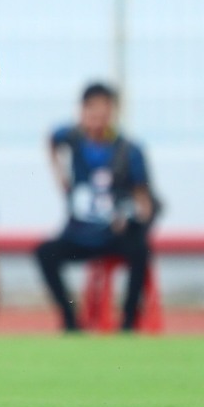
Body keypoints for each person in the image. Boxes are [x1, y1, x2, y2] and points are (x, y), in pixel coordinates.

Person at [34, 82, 157, 333]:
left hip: (113, 235)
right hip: (78, 234)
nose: (97, 120)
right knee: (45, 253)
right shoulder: (73, 138)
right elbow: (51, 139)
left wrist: (130, 214)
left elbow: (143, 200)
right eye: (92, 112)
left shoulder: (129, 151)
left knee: (140, 251)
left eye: (104, 113)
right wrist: (59, 174)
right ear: (83, 112)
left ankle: (128, 323)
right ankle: (71, 320)